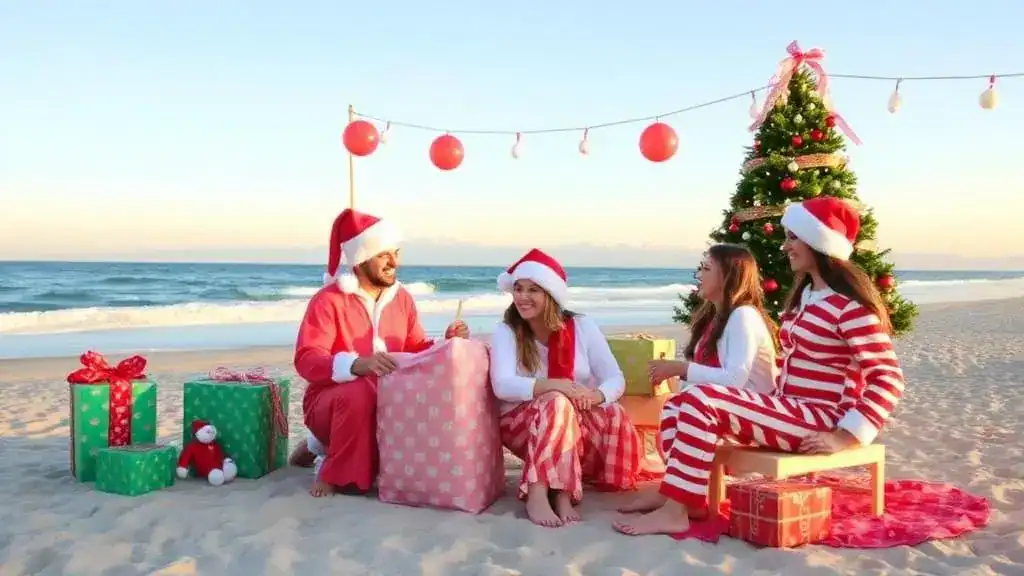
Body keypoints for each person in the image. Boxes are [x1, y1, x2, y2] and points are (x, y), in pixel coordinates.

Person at [614, 196, 906, 536]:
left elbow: (888, 378)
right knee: (677, 405)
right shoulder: (807, 300)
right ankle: (686, 498)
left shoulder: (850, 308)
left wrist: (846, 436)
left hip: (819, 417)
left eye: (794, 238)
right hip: (790, 408)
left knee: (700, 399)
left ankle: (675, 511)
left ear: (818, 242)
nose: (786, 247)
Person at [293, 208, 469, 497]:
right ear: (360, 259)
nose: (393, 262)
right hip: (332, 401)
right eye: (382, 254)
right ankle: (334, 469)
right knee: (359, 392)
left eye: (395, 252)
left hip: (388, 402)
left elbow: (413, 349)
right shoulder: (328, 301)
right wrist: (356, 365)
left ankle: (317, 447)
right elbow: (307, 359)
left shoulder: (402, 299)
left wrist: (445, 342)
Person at [616, 242, 780, 514]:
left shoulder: (743, 316)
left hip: (755, 414)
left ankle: (681, 499)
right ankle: (673, 491)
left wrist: (681, 369)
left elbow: (735, 379)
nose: (699, 275)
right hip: (729, 409)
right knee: (673, 406)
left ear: (728, 275)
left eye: (706, 268)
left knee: (678, 406)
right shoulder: (717, 317)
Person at [489, 248, 642, 528]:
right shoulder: (507, 330)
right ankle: (538, 491)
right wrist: (554, 386)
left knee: (613, 412)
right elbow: (502, 386)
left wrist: (595, 395)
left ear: (551, 295)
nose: (522, 297)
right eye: (518, 289)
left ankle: (563, 489)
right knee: (557, 401)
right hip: (523, 424)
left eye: (532, 290)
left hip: (571, 424)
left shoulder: (582, 326)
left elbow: (614, 378)